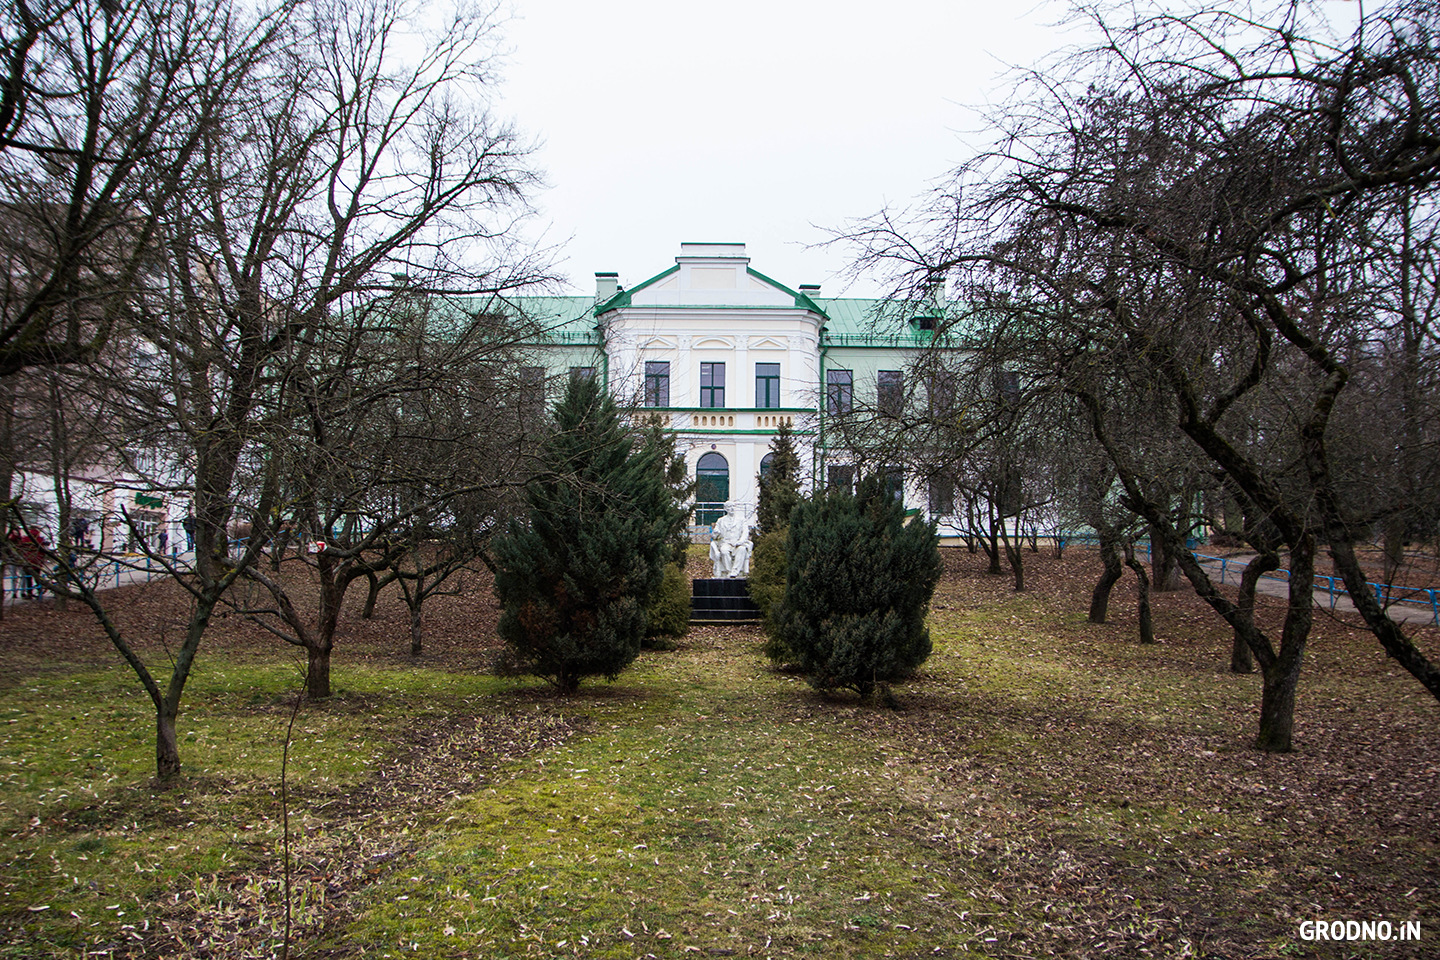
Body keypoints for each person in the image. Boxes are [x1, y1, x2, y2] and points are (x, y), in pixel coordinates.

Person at [709, 502, 753, 579]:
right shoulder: (721, 521)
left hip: (738, 543)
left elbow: (745, 532)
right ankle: (729, 571)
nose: (732, 508)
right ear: (725, 509)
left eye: (733, 506)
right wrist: (716, 533)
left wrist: (741, 541)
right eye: (729, 507)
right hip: (726, 543)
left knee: (742, 549)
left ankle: (735, 571)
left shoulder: (741, 520)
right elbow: (714, 535)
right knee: (724, 550)